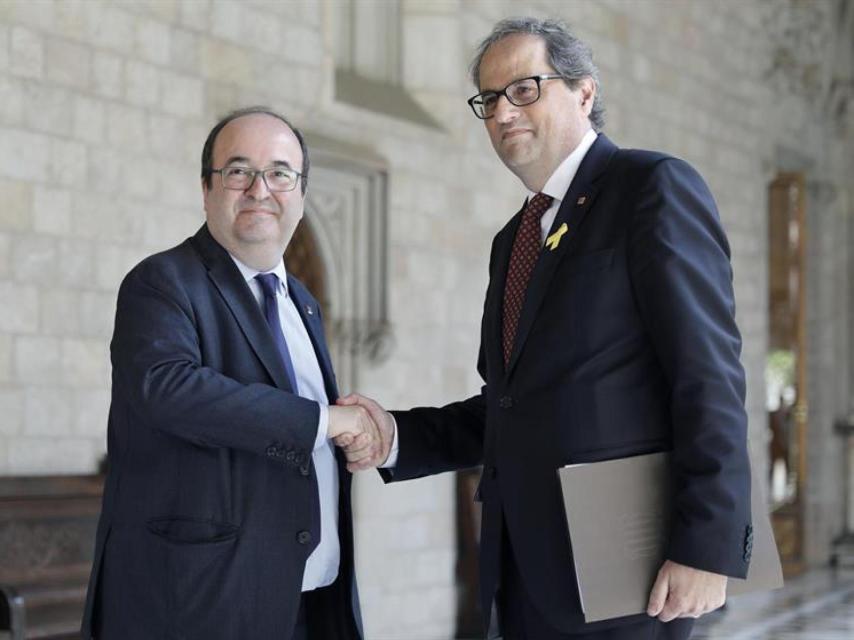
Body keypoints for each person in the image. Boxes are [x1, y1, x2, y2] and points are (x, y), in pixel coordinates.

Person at [337, 18, 753, 640]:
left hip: (629, 572)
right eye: (489, 99)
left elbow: (708, 376)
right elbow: (507, 409)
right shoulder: (514, 240)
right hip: (523, 576)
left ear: (584, 92)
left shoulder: (651, 188)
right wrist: (397, 437)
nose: (503, 112)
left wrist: (709, 547)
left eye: (525, 88)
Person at [82, 106, 380, 640]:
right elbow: (167, 389)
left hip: (310, 598)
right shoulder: (162, 282)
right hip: (202, 606)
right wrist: (325, 422)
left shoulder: (303, 304)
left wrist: (350, 439)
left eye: (280, 173)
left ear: (301, 192)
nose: (260, 189)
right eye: (238, 171)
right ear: (206, 187)